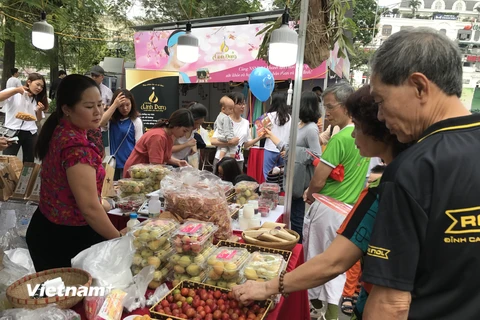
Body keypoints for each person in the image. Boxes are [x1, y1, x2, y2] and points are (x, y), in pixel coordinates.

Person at [232, 85, 409, 320]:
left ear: (381, 127)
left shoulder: (394, 189)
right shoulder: (391, 181)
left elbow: (332, 263)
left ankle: (320, 310)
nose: (354, 134)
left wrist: (266, 287)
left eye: (358, 126)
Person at [360, 27, 480, 320]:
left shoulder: (414, 169)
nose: (379, 116)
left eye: (380, 101)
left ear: (419, 86)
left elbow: (392, 304)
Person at [26, 75, 121, 272]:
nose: (98, 112)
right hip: (62, 239)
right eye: (89, 106)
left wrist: (102, 202)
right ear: (67, 109)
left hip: (47, 227)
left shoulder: (62, 129)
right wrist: (120, 240)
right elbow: (89, 209)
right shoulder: (76, 149)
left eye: (100, 105)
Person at [303, 82, 370, 319]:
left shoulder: (341, 138)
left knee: (319, 262)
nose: (326, 112)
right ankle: (323, 310)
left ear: (346, 106)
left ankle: (322, 311)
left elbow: (319, 180)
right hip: (348, 210)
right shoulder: (359, 136)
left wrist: (309, 194)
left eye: (330, 107)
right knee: (335, 266)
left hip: (327, 209)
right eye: (325, 106)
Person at [265, 91, 322, 243]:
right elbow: (288, 147)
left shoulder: (311, 128)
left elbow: (317, 155)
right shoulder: (299, 125)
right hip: (291, 176)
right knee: (291, 215)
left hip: (299, 180)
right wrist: (271, 136)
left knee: (297, 217)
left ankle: (297, 247)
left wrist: (294, 153)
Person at [123, 109, 194, 176]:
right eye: (184, 131)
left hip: (144, 171)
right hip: (135, 173)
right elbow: (155, 166)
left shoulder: (169, 136)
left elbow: (164, 157)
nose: (184, 135)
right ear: (176, 125)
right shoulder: (158, 137)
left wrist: (178, 162)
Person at [0, 73, 47, 163]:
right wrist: (16, 90)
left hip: (30, 132)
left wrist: (40, 110)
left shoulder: (37, 99)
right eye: (37, 84)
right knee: (7, 160)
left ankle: (26, 177)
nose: (39, 88)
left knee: (29, 162)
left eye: (42, 86)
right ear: (29, 82)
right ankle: (7, 177)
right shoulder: (14, 92)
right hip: (12, 132)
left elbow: (38, 119)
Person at [211, 92, 264, 172]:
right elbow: (213, 141)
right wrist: (230, 143)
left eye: (244, 104)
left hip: (238, 160)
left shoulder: (246, 122)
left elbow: (245, 144)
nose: (242, 106)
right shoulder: (224, 119)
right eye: (239, 104)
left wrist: (260, 137)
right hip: (222, 160)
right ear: (231, 105)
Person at [100, 89, 143, 180]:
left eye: (128, 105)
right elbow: (100, 123)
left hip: (129, 164)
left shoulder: (135, 121)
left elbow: (139, 144)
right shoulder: (111, 120)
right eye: (121, 106)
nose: (125, 108)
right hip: (113, 164)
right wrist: (114, 105)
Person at [263, 93, 292, 180]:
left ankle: (269, 192)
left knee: (268, 175)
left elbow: (261, 133)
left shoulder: (267, 116)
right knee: (282, 176)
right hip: (284, 150)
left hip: (270, 149)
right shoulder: (290, 118)